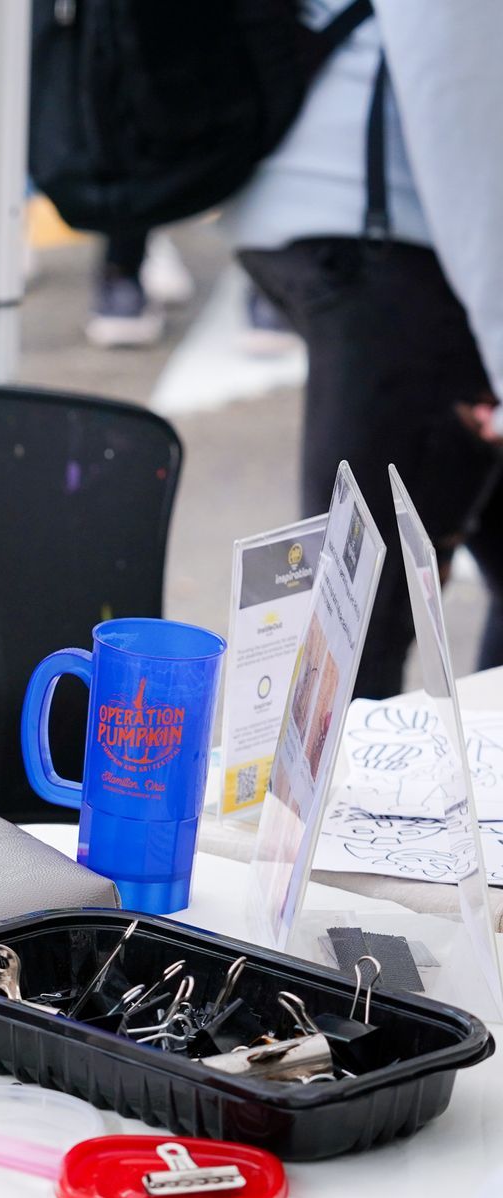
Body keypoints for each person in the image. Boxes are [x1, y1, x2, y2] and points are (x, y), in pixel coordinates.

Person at [226, 0, 503, 697]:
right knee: (355, 629)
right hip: (396, 244)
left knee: (355, 612)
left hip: (354, 226)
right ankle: (338, 806)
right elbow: (458, 101)